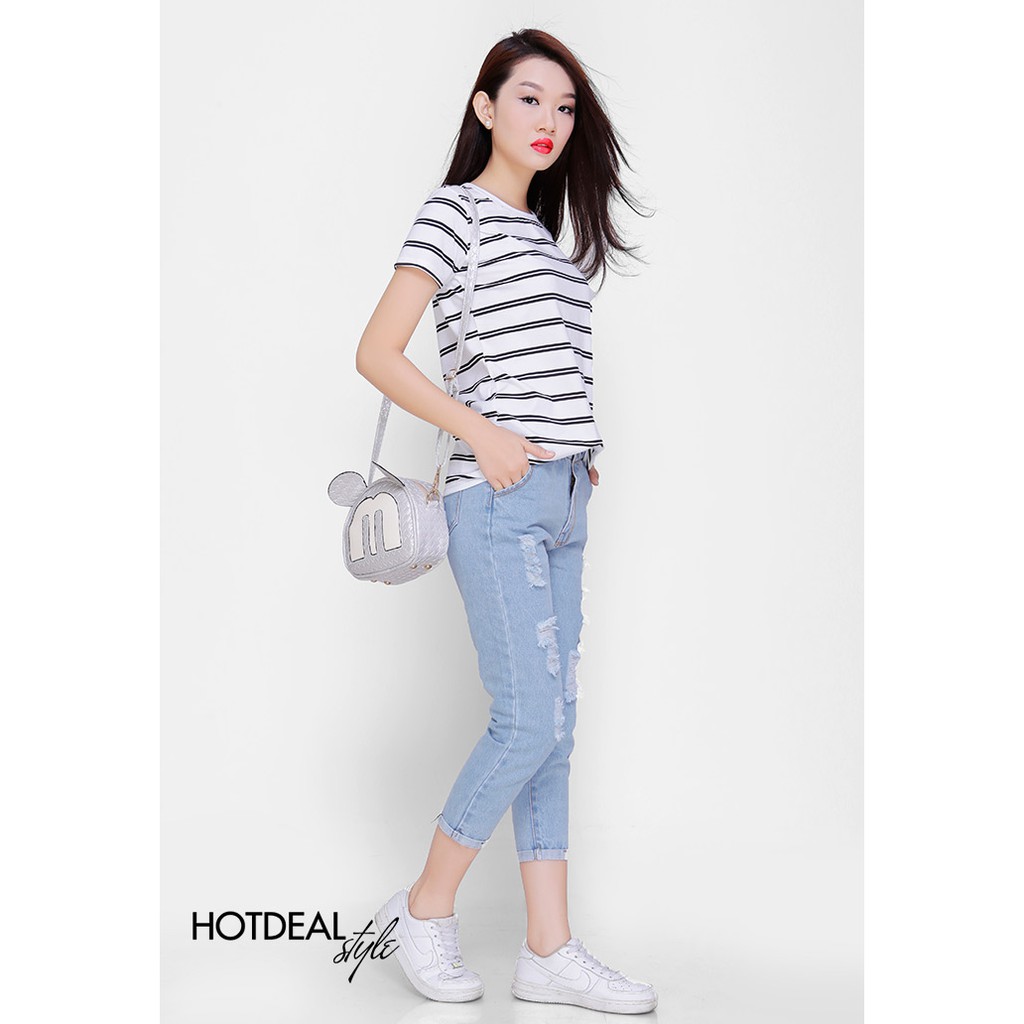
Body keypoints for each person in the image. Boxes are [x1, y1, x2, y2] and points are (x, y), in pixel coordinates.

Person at [357, 28, 656, 1015]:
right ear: (485, 107)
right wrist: (483, 433)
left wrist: (575, 453)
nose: (550, 121)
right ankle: (425, 907)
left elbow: (545, 369)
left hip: (563, 497)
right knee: (528, 718)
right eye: (530, 99)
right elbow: (378, 351)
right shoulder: (454, 213)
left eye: (565, 108)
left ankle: (548, 950)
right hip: (494, 500)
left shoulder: (542, 241)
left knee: (554, 728)